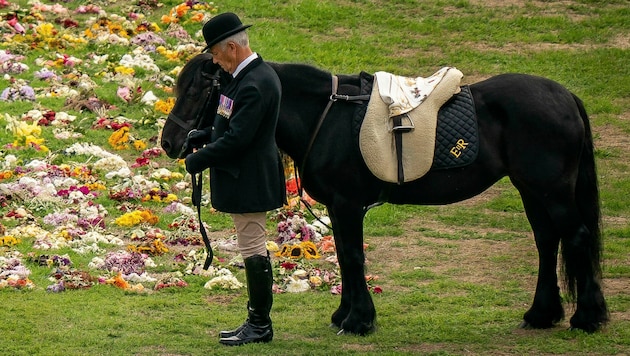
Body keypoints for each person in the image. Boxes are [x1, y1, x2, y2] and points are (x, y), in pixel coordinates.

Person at [183, 12, 286, 346]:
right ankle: (256, 321)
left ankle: (259, 324)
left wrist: (198, 160)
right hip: (245, 175)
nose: (215, 61)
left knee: (253, 247)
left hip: (251, 178)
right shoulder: (245, 78)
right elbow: (228, 122)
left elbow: (238, 139)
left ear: (230, 47)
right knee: (249, 245)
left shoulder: (256, 83)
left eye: (214, 54)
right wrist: (203, 134)